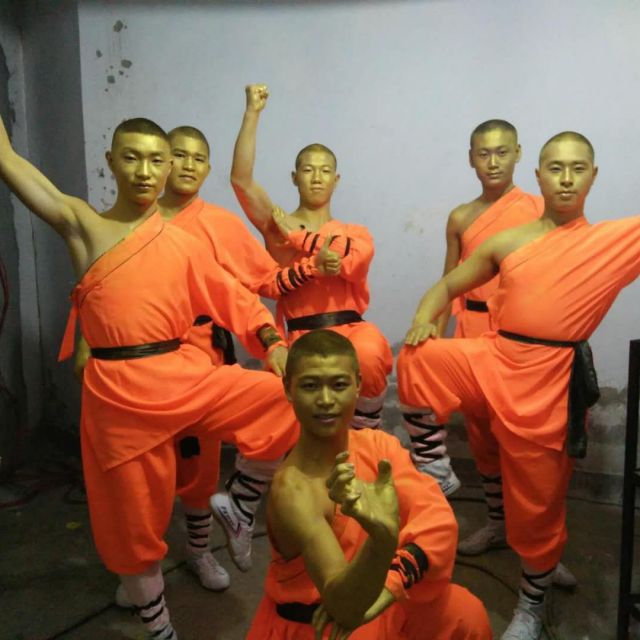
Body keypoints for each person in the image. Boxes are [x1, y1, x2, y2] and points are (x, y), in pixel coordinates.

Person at [0, 114, 300, 640]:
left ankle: (240, 503)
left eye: (156, 160)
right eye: (132, 158)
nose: (145, 171)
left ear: (167, 168)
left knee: (286, 396)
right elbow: (12, 163)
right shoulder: (84, 225)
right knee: (134, 521)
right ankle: (159, 625)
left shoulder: (183, 243)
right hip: (118, 392)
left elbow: (233, 298)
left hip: (183, 373)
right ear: (111, 162)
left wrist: (274, 343)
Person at [398, 131, 640, 639]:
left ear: (594, 176)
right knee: (418, 357)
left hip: (549, 378)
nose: (566, 178)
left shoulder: (613, 241)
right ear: (539, 175)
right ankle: (435, 467)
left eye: (578, 168)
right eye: (556, 167)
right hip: (493, 355)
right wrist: (423, 319)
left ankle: (531, 602)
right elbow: (448, 284)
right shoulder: (508, 240)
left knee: (538, 506)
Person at [212, 84, 393, 572]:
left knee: (371, 353)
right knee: (280, 408)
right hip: (300, 338)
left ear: (337, 178)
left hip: (350, 335)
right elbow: (241, 179)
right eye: (307, 168)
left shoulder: (354, 233)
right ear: (294, 177)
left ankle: (362, 458)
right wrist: (252, 112)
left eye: (324, 169)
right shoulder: (278, 227)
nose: (315, 176)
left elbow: (352, 262)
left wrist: (309, 245)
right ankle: (244, 504)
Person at [247, 329, 492, 639]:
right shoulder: (293, 490)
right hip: (319, 624)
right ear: (288, 388)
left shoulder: (378, 446)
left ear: (358, 385)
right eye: (310, 386)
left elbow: (438, 520)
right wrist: (383, 538)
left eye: (339, 385)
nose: (326, 400)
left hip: (377, 595)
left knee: (465, 613)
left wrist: (392, 583)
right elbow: (345, 608)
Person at [408, 119, 543, 497]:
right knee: (481, 430)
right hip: (472, 327)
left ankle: (524, 520)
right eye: (484, 154)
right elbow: (448, 282)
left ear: (518, 153)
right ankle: (497, 519)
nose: (493, 163)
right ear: (471, 158)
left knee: (519, 429)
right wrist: (433, 335)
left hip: (521, 332)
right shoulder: (461, 217)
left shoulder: (540, 210)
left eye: (502, 152)